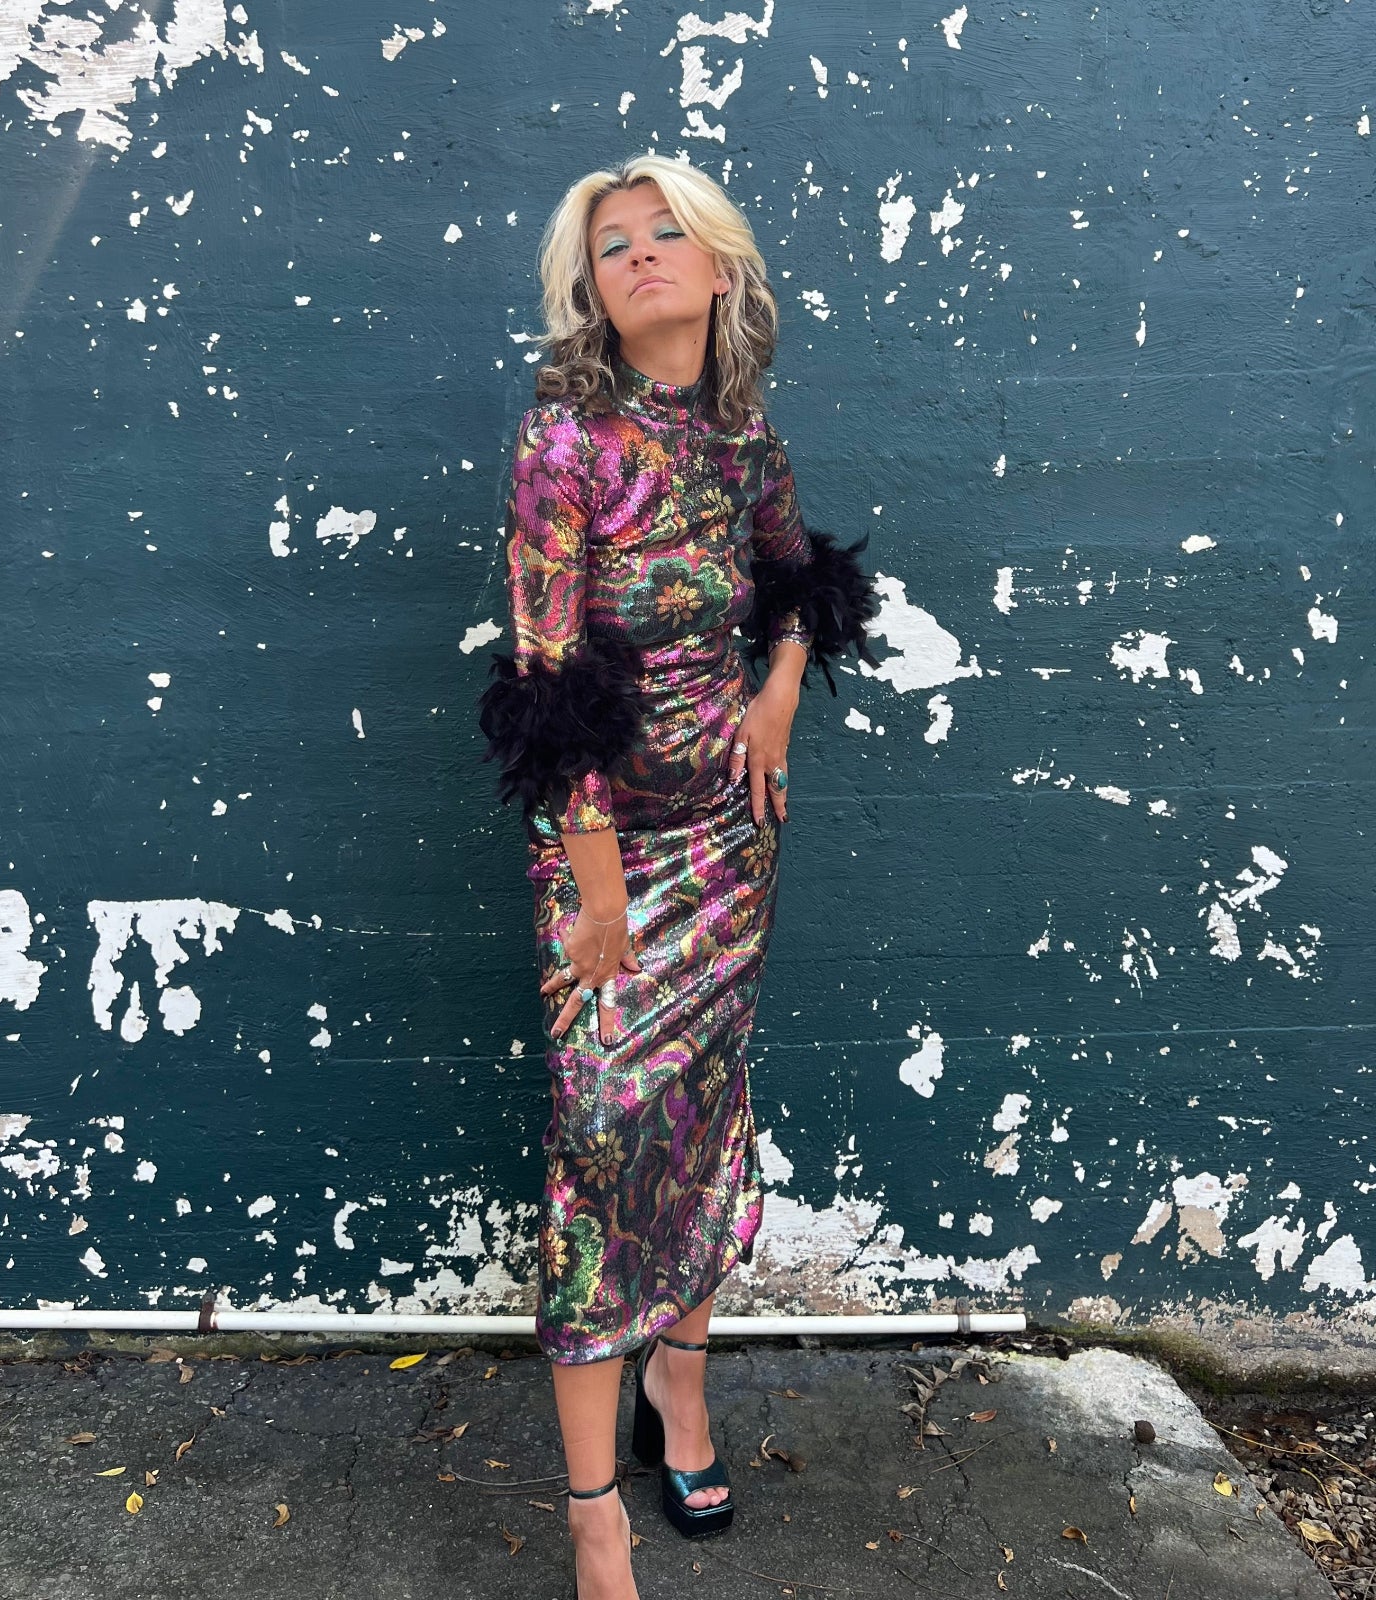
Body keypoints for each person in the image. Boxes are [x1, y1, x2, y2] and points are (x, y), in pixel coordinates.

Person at [478, 153, 879, 1600]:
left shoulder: (744, 438)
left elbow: (799, 581)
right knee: (600, 1143)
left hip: (733, 842)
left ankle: (683, 1393)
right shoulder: (565, 441)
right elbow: (546, 679)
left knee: (707, 1119)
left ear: (718, 267)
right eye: (612, 245)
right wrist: (593, 897)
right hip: (606, 857)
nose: (641, 255)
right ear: (589, 288)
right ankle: (594, 1514)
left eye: (667, 235)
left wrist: (780, 688)